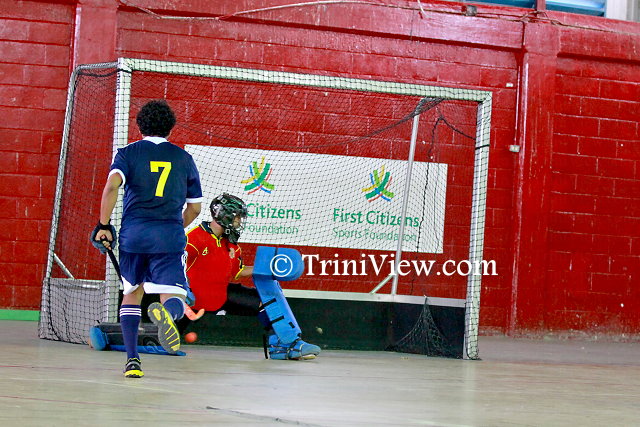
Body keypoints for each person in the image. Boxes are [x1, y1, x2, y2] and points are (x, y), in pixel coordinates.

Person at [91, 100, 203, 378]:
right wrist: (175, 227)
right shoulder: (184, 158)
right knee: (173, 293)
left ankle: (132, 361)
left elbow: (111, 187)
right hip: (168, 235)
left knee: (132, 294)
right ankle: (170, 315)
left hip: (134, 235)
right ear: (170, 128)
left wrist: (103, 225)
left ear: (140, 126)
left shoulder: (127, 153)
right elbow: (195, 209)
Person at [182, 193, 321, 360]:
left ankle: (282, 346)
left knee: (266, 301)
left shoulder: (232, 244)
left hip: (221, 294)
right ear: (225, 215)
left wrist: (267, 268)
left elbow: (237, 272)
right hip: (192, 299)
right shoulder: (194, 238)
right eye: (238, 217)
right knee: (163, 340)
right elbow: (175, 265)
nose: (240, 222)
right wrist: (183, 290)